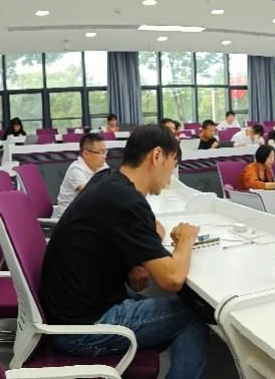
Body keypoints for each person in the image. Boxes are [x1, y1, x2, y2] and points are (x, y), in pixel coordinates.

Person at [40, 125, 206, 378]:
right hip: (82, 329)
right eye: (173, 164)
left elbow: (154, 227)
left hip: (75, 309)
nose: (171, 176)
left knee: (178, 305)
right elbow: (172, 279)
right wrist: (185, 240)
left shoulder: (107, 180)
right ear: (157, 156)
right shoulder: (125, 201)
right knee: (195, 313)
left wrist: (137, 262)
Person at [57, 134, 108, 208]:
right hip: (71, 213)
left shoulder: (102, 165)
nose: (105, 156)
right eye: (101, 152)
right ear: (86, 154)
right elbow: (89, 194)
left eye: (105, 152)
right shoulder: (76, 169)